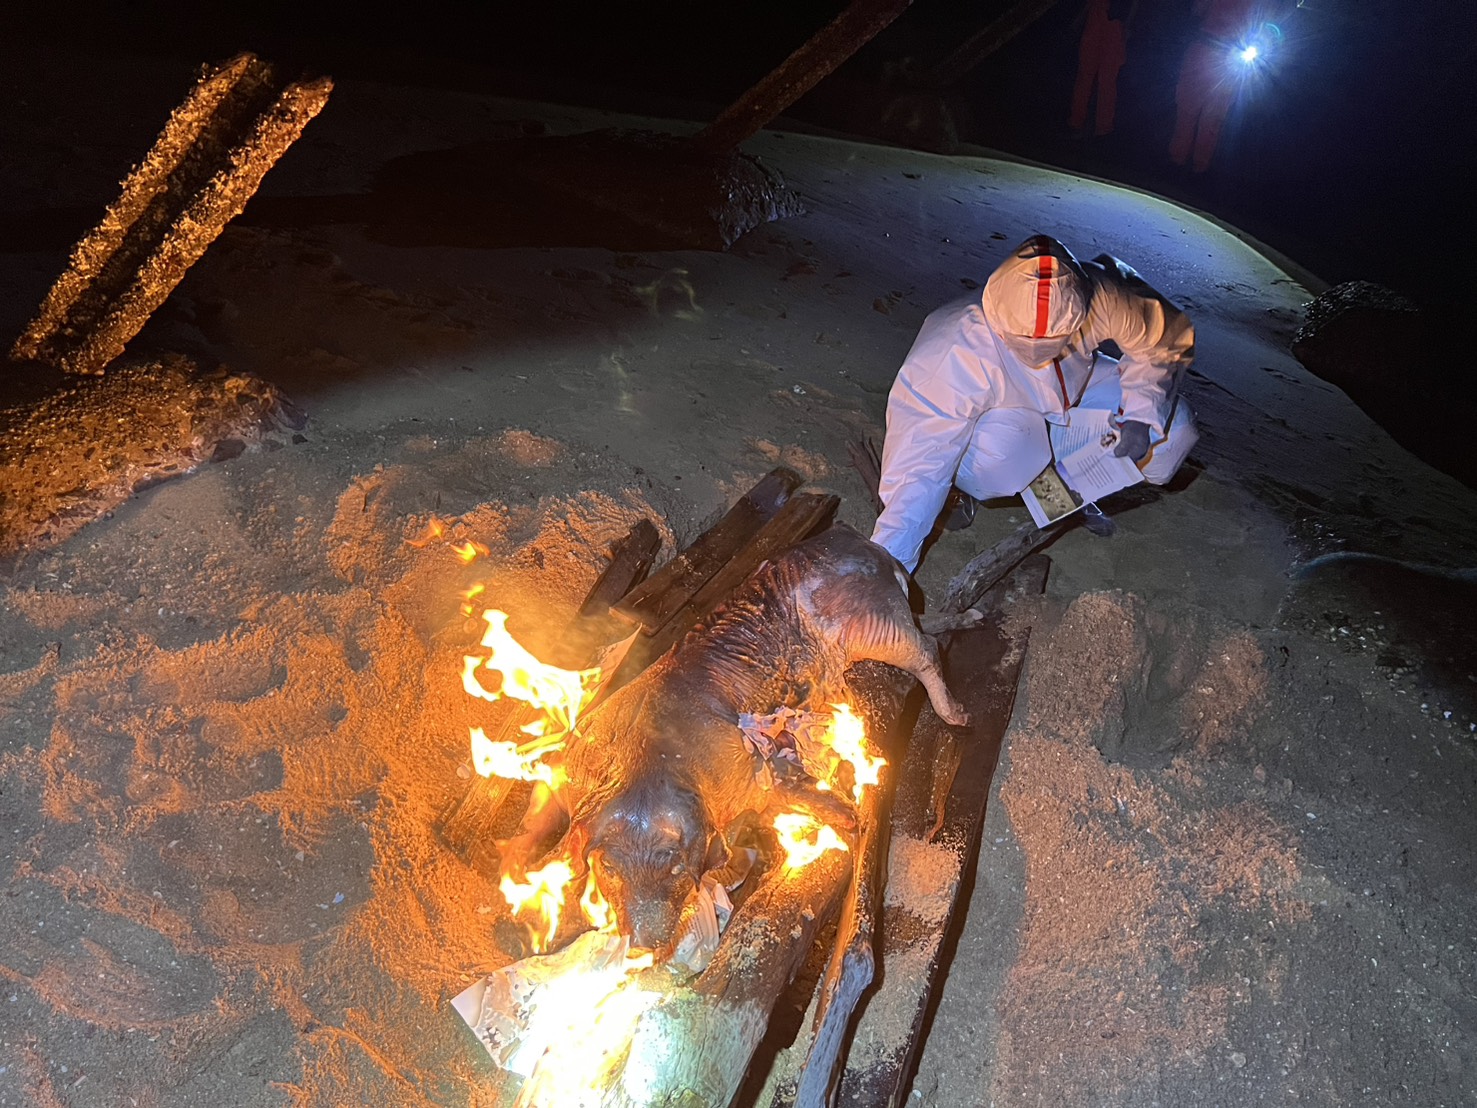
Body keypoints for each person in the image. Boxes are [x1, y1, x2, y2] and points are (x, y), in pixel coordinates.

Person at [869, 234, 1199, 573]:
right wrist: (889, 567)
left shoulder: (1101, 293)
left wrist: (1140, 416)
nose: (1037, 350)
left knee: (1173, 432)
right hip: (1000, 418)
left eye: (1054, 340)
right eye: (1024, 340)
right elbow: (919, 462)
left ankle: (1064, 496)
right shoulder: (954, 347)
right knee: (1003, 459)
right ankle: (961, 489)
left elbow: (1161, 341)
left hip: (1072, 389)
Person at [1168, 0, 1259, 172]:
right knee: (1203, 114)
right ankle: (1193, 164)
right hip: (1222, 52)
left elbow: (1197, 11)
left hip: (1219, 51)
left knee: (1196, 111)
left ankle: (1183, 162)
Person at [1069, 0, 1136, 138]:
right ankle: (1076, 123)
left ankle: (1103, 128)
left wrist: (1128, 24)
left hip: (1115, 21)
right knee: (1085, 75)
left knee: (1107, 80)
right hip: (1096, 17)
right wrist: (1081, 17)